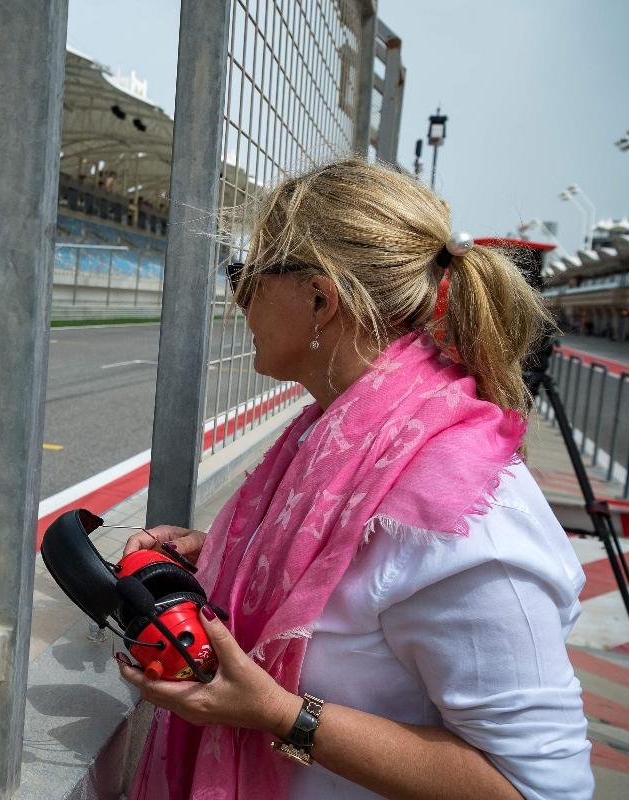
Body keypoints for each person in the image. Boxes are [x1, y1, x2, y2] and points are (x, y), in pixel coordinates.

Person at [116, 158, 593, 799]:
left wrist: (282, 715)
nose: (238, 300)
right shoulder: (342, 440)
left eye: (245, 276)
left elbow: (542, 788)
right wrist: (234, 551)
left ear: (320, 297)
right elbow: (358, 579)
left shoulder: (460, 515)